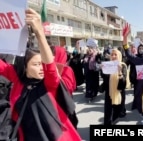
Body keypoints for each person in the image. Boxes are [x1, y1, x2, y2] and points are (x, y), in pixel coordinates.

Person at [0, 8, 82, 141]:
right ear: (25, 67)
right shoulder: (18, 79)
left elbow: (50, 67)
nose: (42, 68)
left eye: (42, 64)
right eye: (36, 64)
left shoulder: (49, 84)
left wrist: (39, 33)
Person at [102, 49, 127, 125]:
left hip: (118, 93)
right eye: (112, 54)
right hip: (109, 92)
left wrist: (119, 72)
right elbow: (105, 80)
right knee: (108, 111)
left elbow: (123, 84)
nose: (113, 56)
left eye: (115, 54)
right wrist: (103, 71)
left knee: (116, 112)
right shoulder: (108, 65)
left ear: (119, 56)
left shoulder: (123, 66)